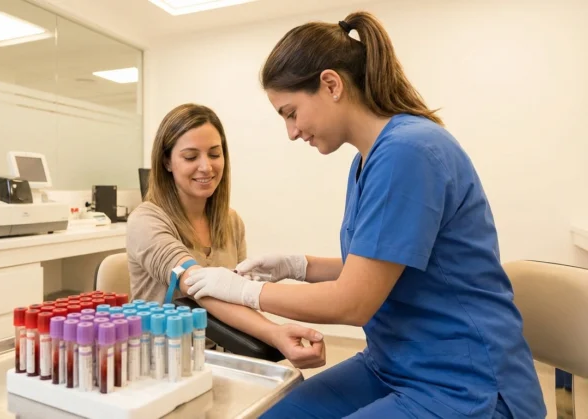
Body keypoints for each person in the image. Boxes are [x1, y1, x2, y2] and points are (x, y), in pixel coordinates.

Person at [183, 12, 547, 419]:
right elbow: (378, 267)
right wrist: (297, 266)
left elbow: (353, 302)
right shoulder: (366, 162)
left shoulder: (408, 152)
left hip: (462, 380)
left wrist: (243, 291)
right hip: (392, 363)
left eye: (291, 112)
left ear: (331, 84)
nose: (291, 131)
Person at [126, 103, 326, 369]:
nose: (206, 167)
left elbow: (236, 295)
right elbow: (196, 285)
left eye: (214, 154)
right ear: (167, 162)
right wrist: (273, 333)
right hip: (161, 362)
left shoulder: (230, 222)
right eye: (190, 157)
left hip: (219, 357)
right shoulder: (146, 221)